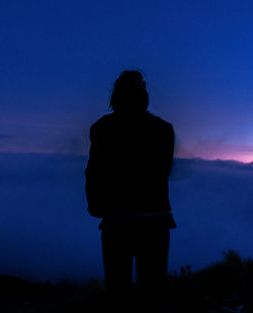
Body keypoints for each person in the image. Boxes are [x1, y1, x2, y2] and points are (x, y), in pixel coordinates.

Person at [85, 70, 176, 312]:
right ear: (144, 95)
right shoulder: (164, 130)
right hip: (156, 221)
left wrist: (96, 205)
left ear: (115, 95)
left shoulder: (102, 128)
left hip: (117, 223)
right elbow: (163, 172)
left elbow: (94, 172)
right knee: (153, 296)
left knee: (118, 297)